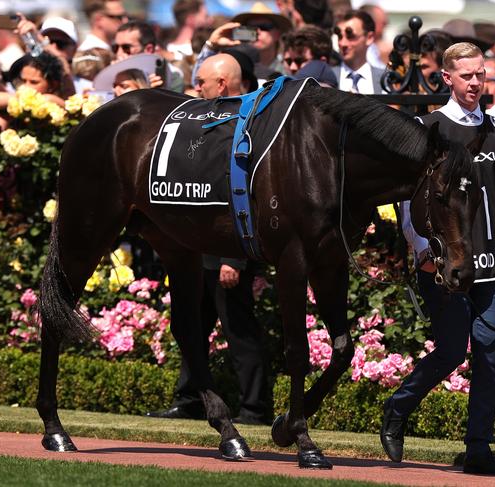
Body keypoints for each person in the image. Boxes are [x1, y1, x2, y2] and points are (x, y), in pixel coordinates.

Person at [380, 42, 495, 476]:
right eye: (467, 76)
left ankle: (478, 448)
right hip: (444, 259)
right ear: (447, 78)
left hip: (492, 260)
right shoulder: (427, 129)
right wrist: (422, 250)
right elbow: (406, 202)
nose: (476, 82)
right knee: (453, 351)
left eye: (481, 74)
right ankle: (397, 409)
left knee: (490, 351)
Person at [148, 53, 268, 424]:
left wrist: (236, 258)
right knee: (191, 326)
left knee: (239, 329)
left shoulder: (252, 122)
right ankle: (190, 399)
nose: (195, 87)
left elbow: (249, 192)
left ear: (222, 85)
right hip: (197, 245)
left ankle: (255, 408)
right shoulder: (203, 118)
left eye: (201, 81)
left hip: (230, 248)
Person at [332, 9, 384, 94]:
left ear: (369, 38)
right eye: (340, 36)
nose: (343, 43)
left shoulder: (385, 79)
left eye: (350, 36)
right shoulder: (329, 76)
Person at [232, 2, 292, 75]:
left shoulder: (289, 70)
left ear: (278, 34)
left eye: (264, 27)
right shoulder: (236, 68)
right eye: (251, 28)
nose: (257, 32)